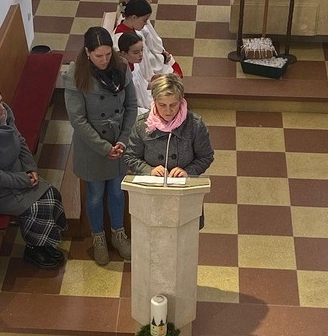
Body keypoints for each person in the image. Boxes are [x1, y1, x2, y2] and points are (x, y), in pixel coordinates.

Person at [62, 27, 137, 265]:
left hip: (118, 143)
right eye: (98, 56)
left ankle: (118, 234)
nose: (104, 60)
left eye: (107, 54)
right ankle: (98, 238)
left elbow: (131, 106)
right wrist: (105, 147)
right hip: (92, 146)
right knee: (95, 195)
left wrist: (123, 139)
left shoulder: (121, 67)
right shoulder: (76, 75)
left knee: (117, 191)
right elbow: (78, 120)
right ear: (87, 52)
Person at [0, 88, 67, 270]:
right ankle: (33, 249)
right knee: (36, 207)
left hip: (17, 175)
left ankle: (45, 243)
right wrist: (24, 180)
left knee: (51, 194)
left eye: (1, 101)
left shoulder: (5, 117)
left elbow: (21, 142)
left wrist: (31, 168)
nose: (2, 108)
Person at [123, 73, 214, 178]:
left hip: (183, 183)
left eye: (173, 105)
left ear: (181, 100)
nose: (168, 111)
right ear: (154, 100)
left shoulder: (195, 124)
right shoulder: (141, 124)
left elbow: (205, 157)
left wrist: (188, 172)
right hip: (152, 183)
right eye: (162, 105)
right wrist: (148, 170)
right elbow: (131, 157)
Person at [114, 0, 183, 80]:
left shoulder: (134, 29)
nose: (146, 23)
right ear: (134, 18)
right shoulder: (119, 40)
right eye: (144, 20)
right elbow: (135, 69)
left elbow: (145, 58)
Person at [118, 31, 153, 113]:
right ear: (124, 53)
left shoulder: (135, 65)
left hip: (145, 101)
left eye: (142, 50)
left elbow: (143, 86)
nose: (141, 54)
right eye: (136, 52)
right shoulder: (122, 74)